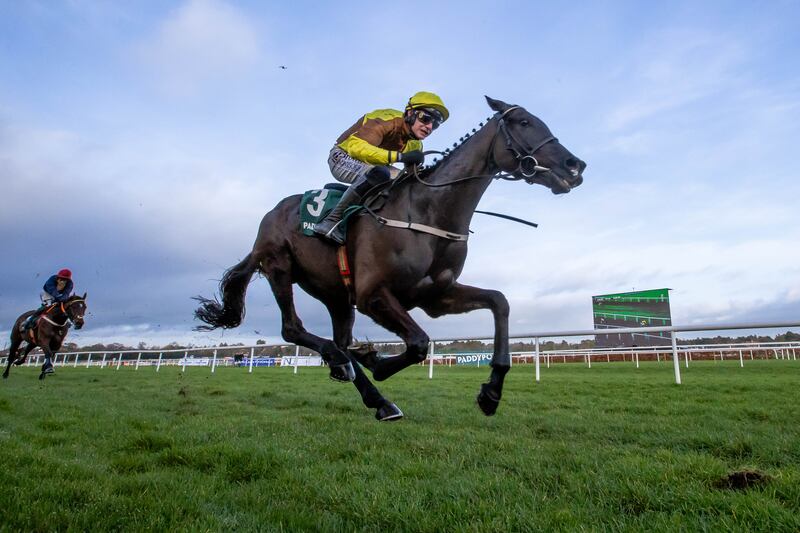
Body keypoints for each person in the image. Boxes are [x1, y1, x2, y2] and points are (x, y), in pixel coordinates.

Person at [313, 91, 449, 244]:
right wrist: (400, 157)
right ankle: (331, 220)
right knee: (380, 174)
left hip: (374, 166)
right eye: (425, 118)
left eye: (435, 124)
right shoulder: (386, 119)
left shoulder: (416, 144)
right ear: (410, 113)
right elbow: (355, 147)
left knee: (404, 183)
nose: (429, 126)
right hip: (343, 156)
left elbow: (412, 179)